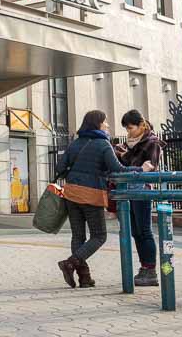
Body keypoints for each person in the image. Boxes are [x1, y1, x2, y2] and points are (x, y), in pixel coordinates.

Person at [54, 110, 155, 289]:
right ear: (98, 124)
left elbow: (59, 167)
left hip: (71, 194)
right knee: (99, 236)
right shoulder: (103, 144)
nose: (107, 125)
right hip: (91, 194)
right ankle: (70, 263)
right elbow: (118, 169)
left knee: (78, 235)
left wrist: (76, 174)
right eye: (105, 122)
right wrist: (141, 170)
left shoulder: (75, 144)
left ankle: (85, 278)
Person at [115, 109, 165, 287]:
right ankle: (144, 267)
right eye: (126, 129)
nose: (128, 132)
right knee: (135, 231)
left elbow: (149, 166)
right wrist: (125, 157)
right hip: (128, 188)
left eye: (130, 128)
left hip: (142, 188)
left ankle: (150, 270)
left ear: (141, 125)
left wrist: (124, 156)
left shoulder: (152, 142)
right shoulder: (126, 145)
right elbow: (125, 164)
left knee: (144, 230)